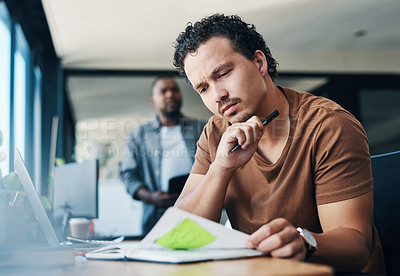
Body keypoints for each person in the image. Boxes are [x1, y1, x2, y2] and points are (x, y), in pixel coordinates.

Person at [172, 14, 385, 274]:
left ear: (259, 63)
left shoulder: (328, 125)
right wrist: (221, 167)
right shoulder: (216, 133)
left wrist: (304, 242)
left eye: (224, 73)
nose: (218, 95)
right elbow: (181, 233)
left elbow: (357, 246)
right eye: (203, 88)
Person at [120, 76, 206, 235]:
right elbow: (128, 175)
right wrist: (152, 197)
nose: (170, 95)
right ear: (153, 100)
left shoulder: (202, 128)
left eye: (175, 90)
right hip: (156, 215)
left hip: (198, 210)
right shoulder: (138, 135)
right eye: (163, 91)